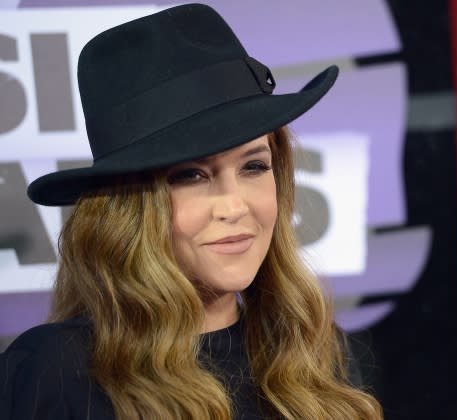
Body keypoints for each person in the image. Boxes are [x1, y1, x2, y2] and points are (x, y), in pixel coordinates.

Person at [0, 3, 383, 419]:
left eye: (254, 166)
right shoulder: (57, 371)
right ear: (129, 210)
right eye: (191, 176)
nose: (235, 206)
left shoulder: (319, 354)